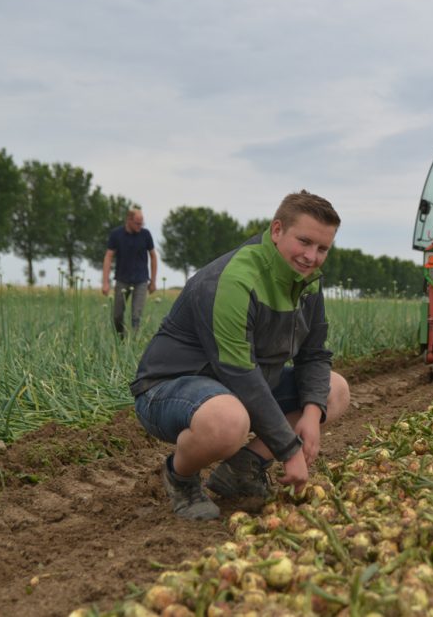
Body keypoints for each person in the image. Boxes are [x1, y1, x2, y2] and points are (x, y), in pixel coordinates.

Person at [130, 190, 351, 520]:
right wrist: (290, 450)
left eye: (322, 249)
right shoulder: (232, 281)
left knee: (333, 391)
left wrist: (311, 413)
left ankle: (242, 469)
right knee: (228, 420)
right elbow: (240, 373)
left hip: (240, 386)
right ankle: (181, 478)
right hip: (171, 389)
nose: (311, 256)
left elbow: (315, 355)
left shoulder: (307, 282)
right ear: (277, 231)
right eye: (304, 242)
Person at [102, 207, 158, 337]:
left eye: (142, 223)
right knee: (117, 315)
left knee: (136, 316)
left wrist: (153, 281)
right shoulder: (116, 234)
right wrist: (105, 282)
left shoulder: (146, 234)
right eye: (137, 223)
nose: (140, 226)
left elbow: (153, 256)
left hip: (141, 281)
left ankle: (133, 343)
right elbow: (108, 256)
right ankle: (121, 340)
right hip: (122, 280)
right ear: (129, 220)